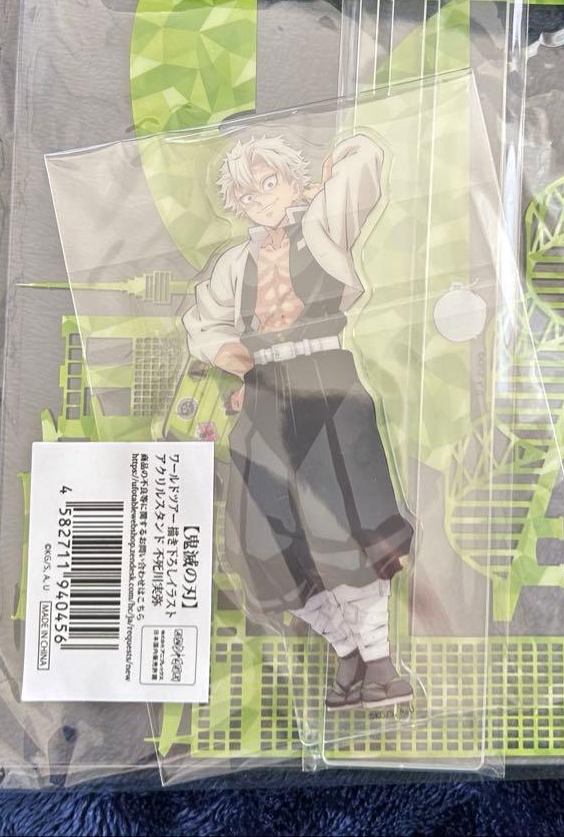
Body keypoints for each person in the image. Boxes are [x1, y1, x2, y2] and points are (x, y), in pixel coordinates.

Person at [182, 132, 414, 711]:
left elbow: (367, 164)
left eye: (270, 182)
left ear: (292, 181)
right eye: (248, 192)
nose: (261, 197)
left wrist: (332, 167)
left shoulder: (321, 228)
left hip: (327, 381)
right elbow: (203, 323)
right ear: (236, 204)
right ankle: (348, 653)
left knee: (348, 521)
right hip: (267, 392)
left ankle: (381, 661)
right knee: (265, 539)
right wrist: (245, 367)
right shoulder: (235, 264)